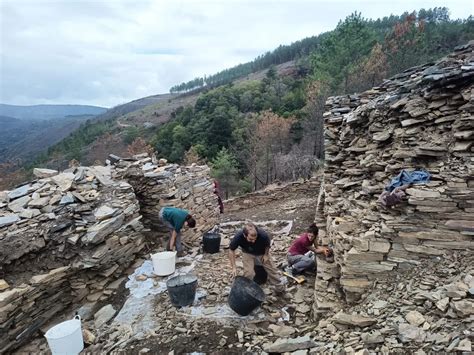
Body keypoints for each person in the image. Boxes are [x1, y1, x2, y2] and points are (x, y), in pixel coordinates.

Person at [228, 222, 285, 294]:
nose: (253, 241)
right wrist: (234, 267)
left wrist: (266, 255)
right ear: (244, 235)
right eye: (251, 239)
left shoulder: (263, 235)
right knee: (249, 273)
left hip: (262, 252)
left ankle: (280, 288)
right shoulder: (238, 237)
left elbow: (267, 245)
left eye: (255, 239)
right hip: (247, 253)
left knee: (272, 270)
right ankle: (248, 291)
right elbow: (231, 250)